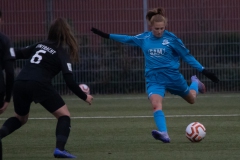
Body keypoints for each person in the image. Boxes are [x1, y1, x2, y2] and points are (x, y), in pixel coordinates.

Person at [91, 7, 219, 143]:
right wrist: (106, 35)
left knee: (192, 99)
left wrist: (204, 70)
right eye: (156, 28)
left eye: (162, 28)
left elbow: (187, 56)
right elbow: (126, 39)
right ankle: (164, 133)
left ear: (165, 27)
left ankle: (195, 83)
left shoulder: (172, 39)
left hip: (172, 77)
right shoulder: (144, 38)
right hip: (154, 79)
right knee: (155, 104)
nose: (159, 31)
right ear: (151, 27)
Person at [0, 17, 93, 158]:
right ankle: (60, 149)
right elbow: (69, 81)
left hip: (20, 82)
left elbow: (17, 53)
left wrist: (4, 55)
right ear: (67, 34)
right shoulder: (61, 53)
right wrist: (85, 96)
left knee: (20, 118)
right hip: (39, 84)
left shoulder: (39, 45)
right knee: (64, 115)